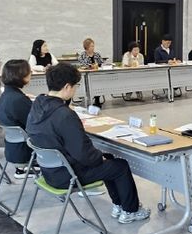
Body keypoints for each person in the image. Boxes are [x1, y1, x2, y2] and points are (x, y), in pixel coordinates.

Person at [26, 63, 150, 224]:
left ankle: (119, 205)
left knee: (108, 158)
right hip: (67, 175)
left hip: (49, 171)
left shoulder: (37, 106)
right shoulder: (65, 115)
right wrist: (98, 158)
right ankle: (131, 211)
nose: (75, 90)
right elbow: (83, 153)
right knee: (120, 166)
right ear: (67, 87)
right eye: (75, 86)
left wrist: (100, 157)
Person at [0, 59, 37, 179]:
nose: (31, 73)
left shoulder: (6, 95)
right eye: (29, 71)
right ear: (21, 76)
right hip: (26, 149)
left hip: (13, 149)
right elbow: (35, 122)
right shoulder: (18, 100)